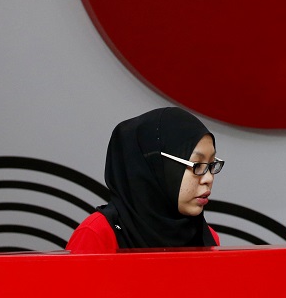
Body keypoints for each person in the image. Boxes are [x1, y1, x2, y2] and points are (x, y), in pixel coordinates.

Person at [66, 107, 224, 252]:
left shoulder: (206, 236)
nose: (208, 178)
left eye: (211, 165)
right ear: (156, 167)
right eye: (197, 165)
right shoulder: (98, 235)